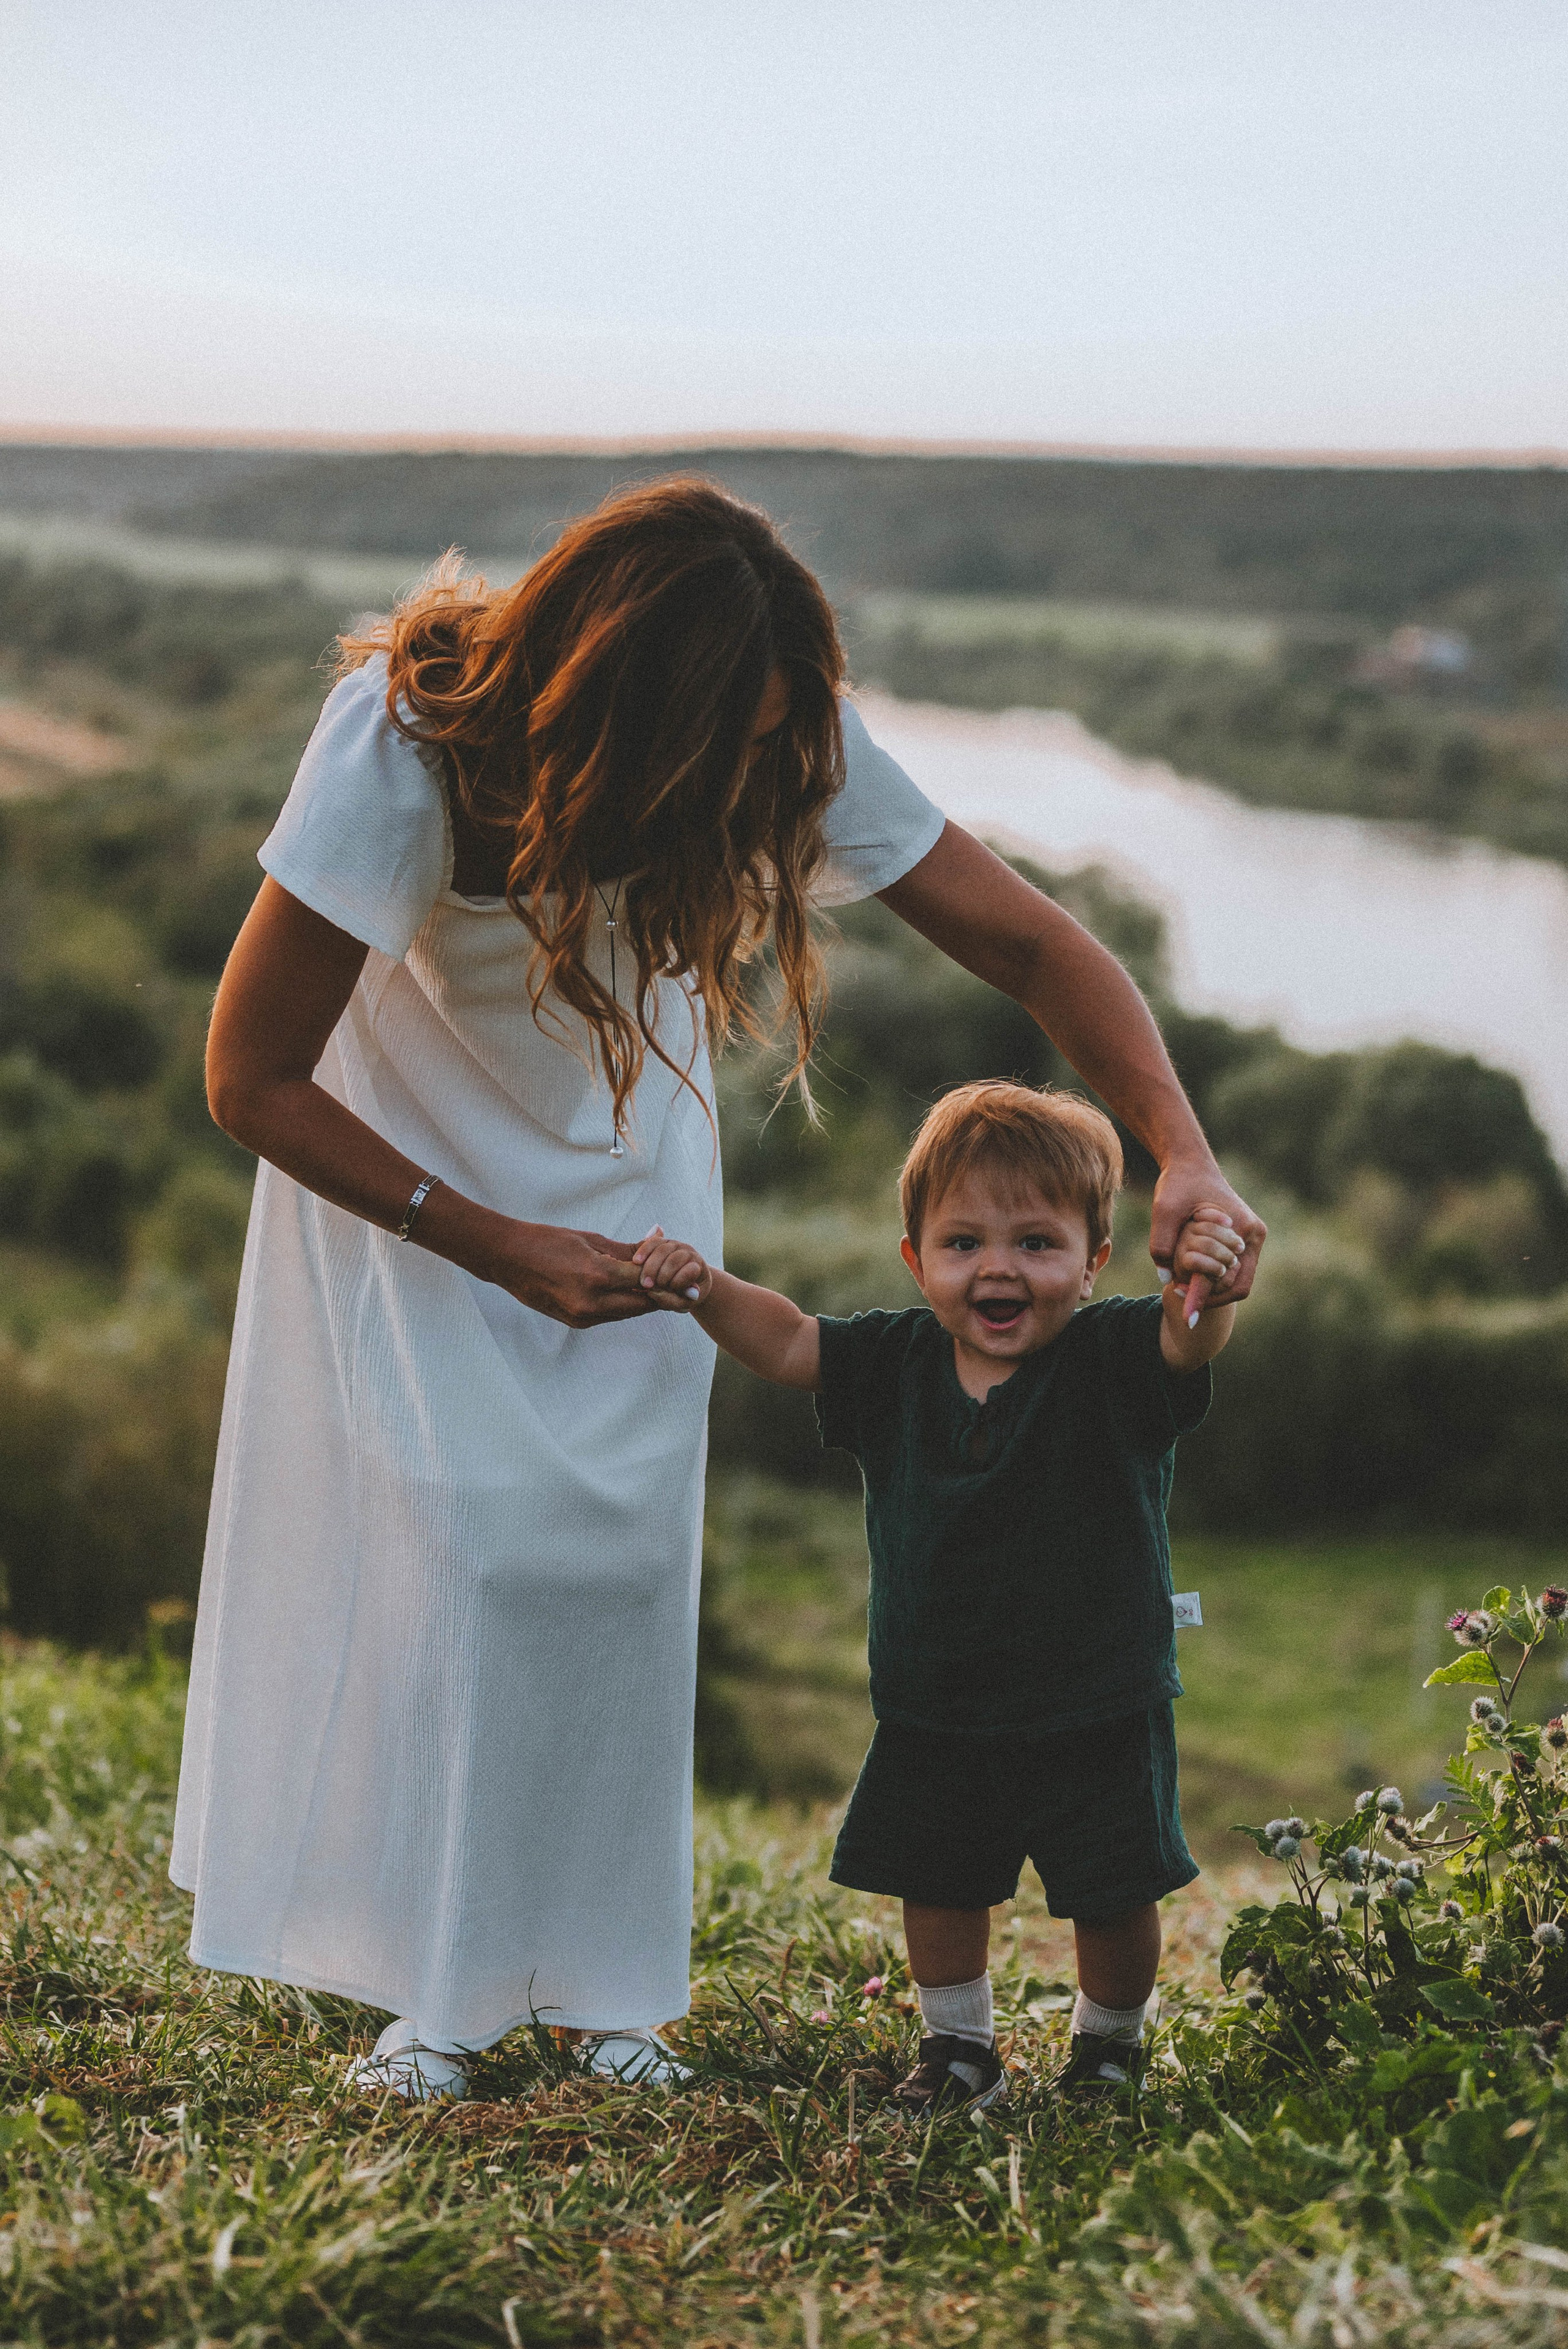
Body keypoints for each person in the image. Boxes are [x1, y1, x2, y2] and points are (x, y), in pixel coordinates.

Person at [173, 476, 1261, 2104]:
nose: (765, 779)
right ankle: (443, 1993)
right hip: (418, 1184)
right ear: (616, 709)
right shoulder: (403, 741)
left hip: (636, 1187)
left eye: (776, 740)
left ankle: (608, 1984)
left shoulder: (787, 746)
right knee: (472, 1553)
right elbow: (250, 1076)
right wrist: (497, 1243)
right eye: (729, 746)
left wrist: (1181, 1146)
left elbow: (1034, 947)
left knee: (613, 1567)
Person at [633, 1077, 1238, 2112]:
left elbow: (1191, 1341)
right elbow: (785, 1340)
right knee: (940, 1882)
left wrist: (1208, 1285)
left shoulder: (1114, 1357)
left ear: (1094, 1264)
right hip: (935, 1702)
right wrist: (702, 1287)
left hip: (1098, 1695)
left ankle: (1109, 2050)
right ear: (916, 1261)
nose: (998, 1267)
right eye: (963, 1244)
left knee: (1114, 1889)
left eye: (1037, 1244)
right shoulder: (892, 1362)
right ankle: (960, 2050)